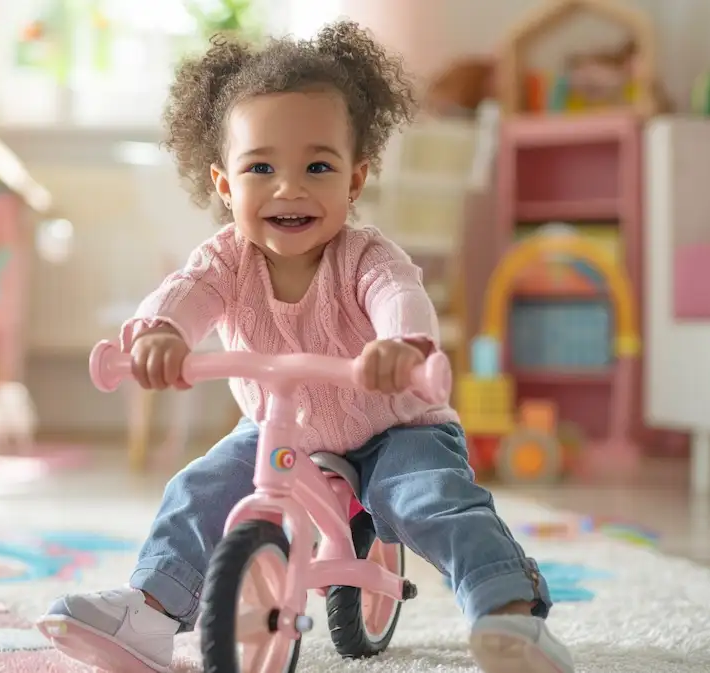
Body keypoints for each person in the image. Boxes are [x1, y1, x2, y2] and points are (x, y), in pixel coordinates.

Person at [39, 20, 574, 673]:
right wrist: (160, 333)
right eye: (261, 167)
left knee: (427, 497)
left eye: (317, 166)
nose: (289, 188)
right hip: (276, 427)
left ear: (355, 180)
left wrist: (401, 345)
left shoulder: (366, 256)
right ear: (224, 185)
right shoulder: (226, 259)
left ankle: (507, 610)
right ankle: (150, 610)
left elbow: (398, 295)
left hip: (391, 425)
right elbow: (186, 293)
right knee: (201, 486)